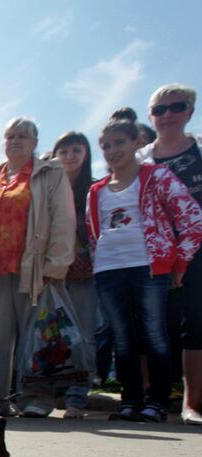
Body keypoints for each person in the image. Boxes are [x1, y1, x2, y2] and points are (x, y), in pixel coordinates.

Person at [89, 118, 202, 422]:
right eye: (107, 146)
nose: (113, 150)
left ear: (137, 143)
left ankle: (158, 402)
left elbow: (193, 218)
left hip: (149, 267)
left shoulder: (157, 177)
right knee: (123, 338)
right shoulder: (97, 191)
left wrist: (180, 262)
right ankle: (130, 401)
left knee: (154, 333)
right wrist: (96, 263)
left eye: (120, 142)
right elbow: (92, 233)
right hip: (108, 269)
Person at [0, 117, 75, 417]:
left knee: (38, 335)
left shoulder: (50, 171)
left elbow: (63, 217)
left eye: (22, 136)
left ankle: (37, 397)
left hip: (33, 268)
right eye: (10, 136)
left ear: (34, 142)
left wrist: (56, 265)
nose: (15, 141)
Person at [138, 84, 202, 425]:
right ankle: (154, 398)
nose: (168, 115)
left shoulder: (199, 150)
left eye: (176, 107)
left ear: (189, 111)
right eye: (160, 110)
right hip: (152, 254)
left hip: (196, 250)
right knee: (154, 325)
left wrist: (185, 257)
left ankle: (192, 403)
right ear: (151, 116)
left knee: (196, 323)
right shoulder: (141, 160)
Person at [52, 131, 97, 419]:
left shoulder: (92, 190)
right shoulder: (46, 187)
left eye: (76, 150)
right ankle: (53, 390)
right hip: (52, 272)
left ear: (86, 155)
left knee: (85, 334)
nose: (69, 156)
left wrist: (85, 259)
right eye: (64, 151)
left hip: (85, 272)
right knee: (54, 336)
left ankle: (78, 396)